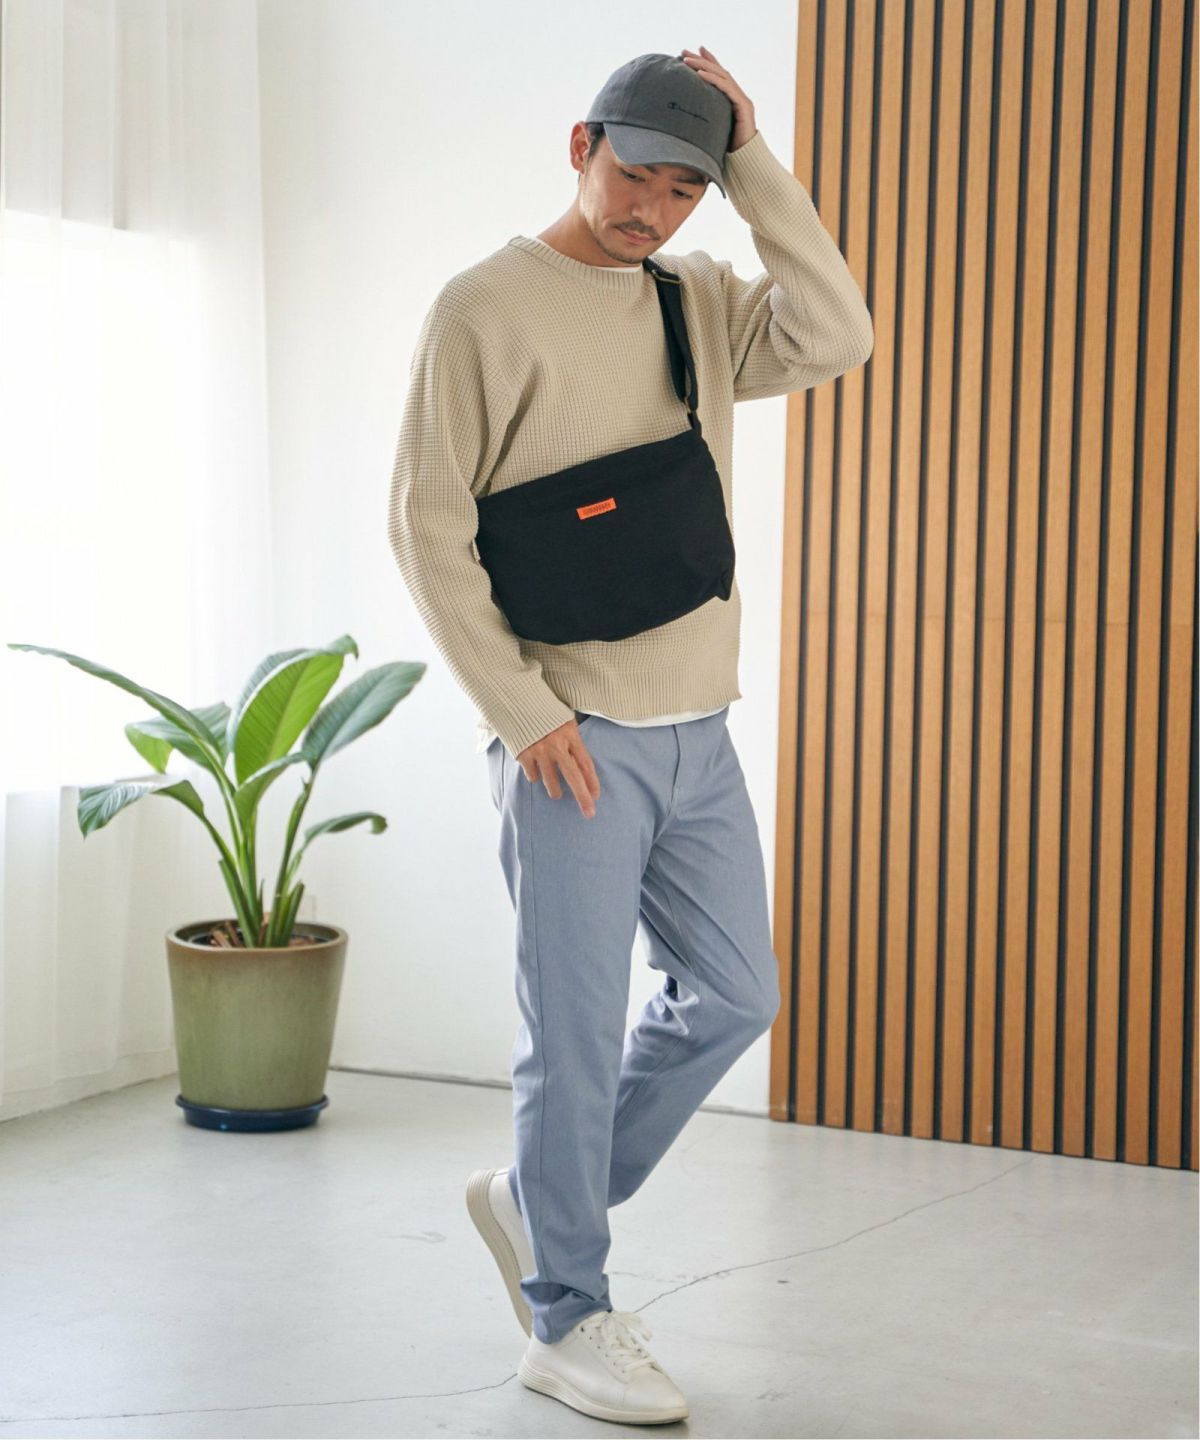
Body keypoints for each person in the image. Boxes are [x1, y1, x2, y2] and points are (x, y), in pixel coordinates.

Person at [388, 47, 873, 1426]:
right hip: (574, 742)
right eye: (634, 175)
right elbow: (426, 524)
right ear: (579, 144)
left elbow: (840, 333)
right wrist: (523, 711)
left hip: (698, 729)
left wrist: (757, 166)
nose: (649, 210)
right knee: (575, 1035)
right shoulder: (482, 307)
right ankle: (566, 1318)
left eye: (683, 190)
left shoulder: (697, 299)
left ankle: (539, 1202)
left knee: (736, 995)